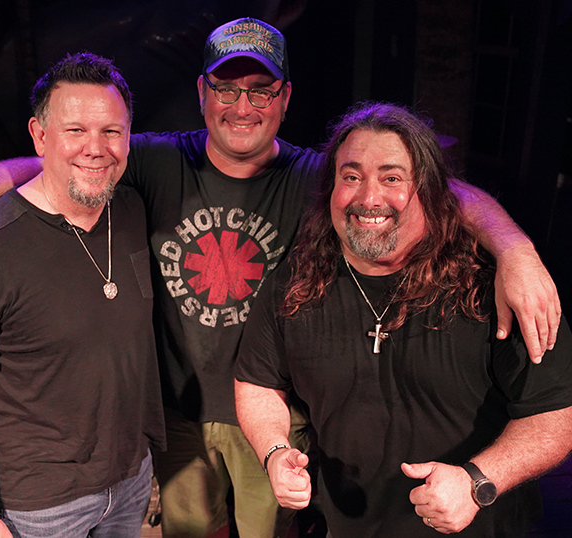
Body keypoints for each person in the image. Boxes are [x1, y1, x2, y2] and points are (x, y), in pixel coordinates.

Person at [0, 17, 560, 538]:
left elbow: (431, 190)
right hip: (176, 418)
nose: (242, 106)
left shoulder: (325, 175)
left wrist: (516, 249)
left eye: (261, 90)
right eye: (227, 89)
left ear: (285, 99)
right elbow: (56, 161)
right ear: (202, 93)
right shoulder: (150, 158)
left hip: (274, 416)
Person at [234, 102, 572, 538]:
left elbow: (557, 415)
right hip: (347, 526)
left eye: (392, 178)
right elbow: (258, 381)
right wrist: (276, 452)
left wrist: (478, 480)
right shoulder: (296, 282)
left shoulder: (492, 286)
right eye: (351, 177)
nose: (369, 197)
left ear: (430, 191)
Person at [0, 53, 165, 538]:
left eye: (112, 132)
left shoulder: (130, 208)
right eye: (75, 130)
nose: (96, 148)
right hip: (38, 506)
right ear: (40, 135)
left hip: (130, 481)